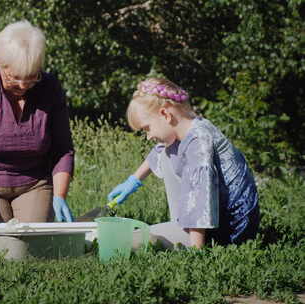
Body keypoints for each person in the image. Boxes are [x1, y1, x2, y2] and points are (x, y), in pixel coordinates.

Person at [107, 77, 260, 249]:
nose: (148, 136)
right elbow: (158, 153)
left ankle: (189, 237)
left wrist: (196, 251)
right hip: (217, 219)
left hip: (231, 229)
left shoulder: (198, 142)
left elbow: (201, 196)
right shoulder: (188, 129)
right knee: (166, 149)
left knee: (132, 241)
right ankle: (181, 228)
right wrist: (133, 180)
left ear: (165, 114)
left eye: (146, 128)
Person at [0, 20, 75, 224]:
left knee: (31, 243)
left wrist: (60, 196)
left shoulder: (50, 88)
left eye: (31, 77)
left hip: (34, 183)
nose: (23, 85)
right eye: (15, 77)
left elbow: (63, 150)